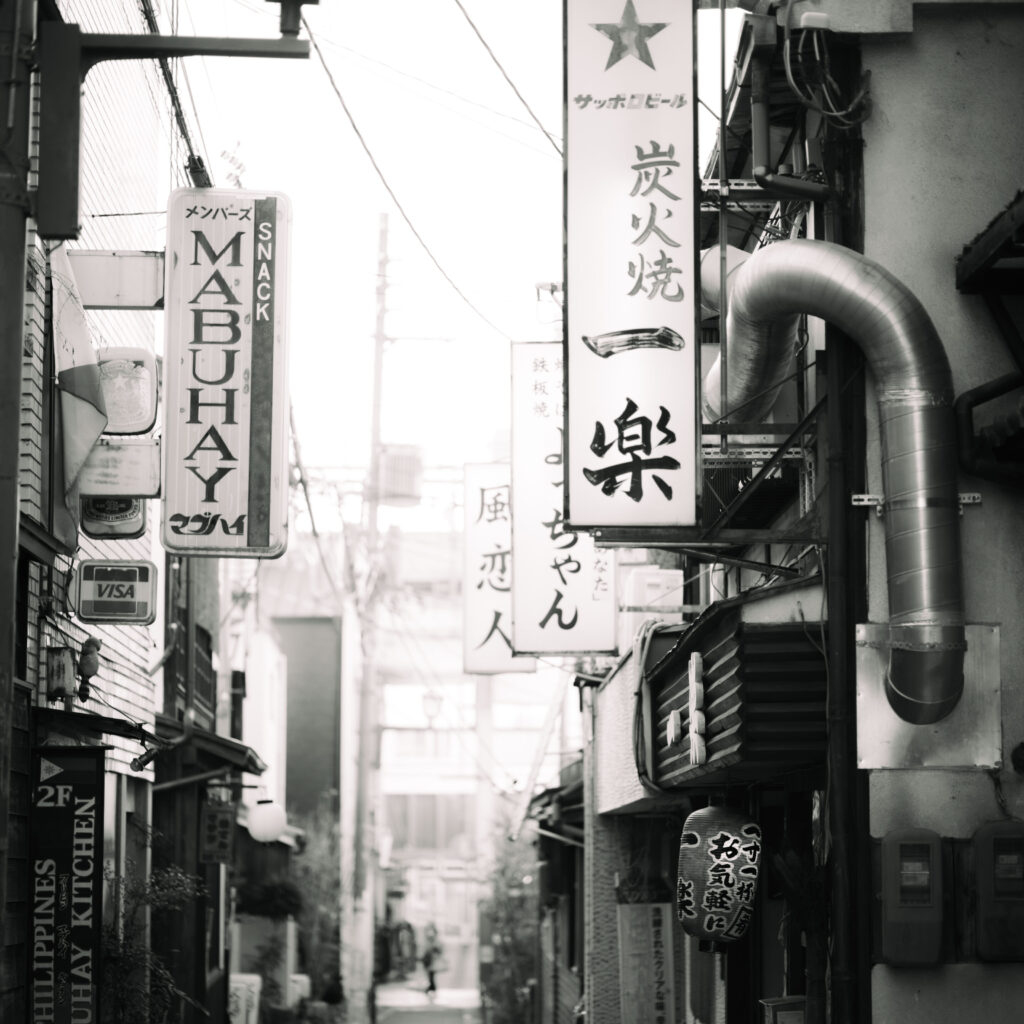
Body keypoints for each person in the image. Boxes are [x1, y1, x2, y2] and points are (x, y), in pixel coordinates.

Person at [422, 923, 443, 997]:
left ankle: (431, 988)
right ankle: (431, 988)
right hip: (428, 960)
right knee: (430, 975)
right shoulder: (429, 941)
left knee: (431, 975)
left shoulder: (435, 941)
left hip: (432, 961)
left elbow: (438, 950)